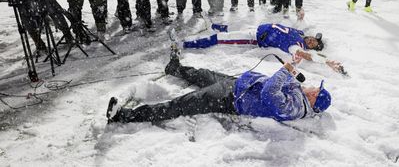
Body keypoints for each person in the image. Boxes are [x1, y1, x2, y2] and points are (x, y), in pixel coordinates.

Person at [106, 50, 331, 124]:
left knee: (182, 104)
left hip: (231, 98)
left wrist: (287, 69)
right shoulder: (299, 95)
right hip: (240, 84)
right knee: (204, 75)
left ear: (314, 101)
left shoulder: (294, 109)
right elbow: (288, 80)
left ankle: (124, 116)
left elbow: (270, 91)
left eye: (316, 91)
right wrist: (294, 63)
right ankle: (175, 69)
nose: (312, 88)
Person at [183, 23, 343, 72]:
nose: (311, 41)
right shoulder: (300, 32)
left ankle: (188, 44)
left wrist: (327, 61)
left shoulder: (297, 46)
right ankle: (222, 27)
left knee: (222, 39)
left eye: (313, 45)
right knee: (234, 27)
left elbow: (304, 55)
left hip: (256, 38)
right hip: (257, 28)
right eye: (314, 39)